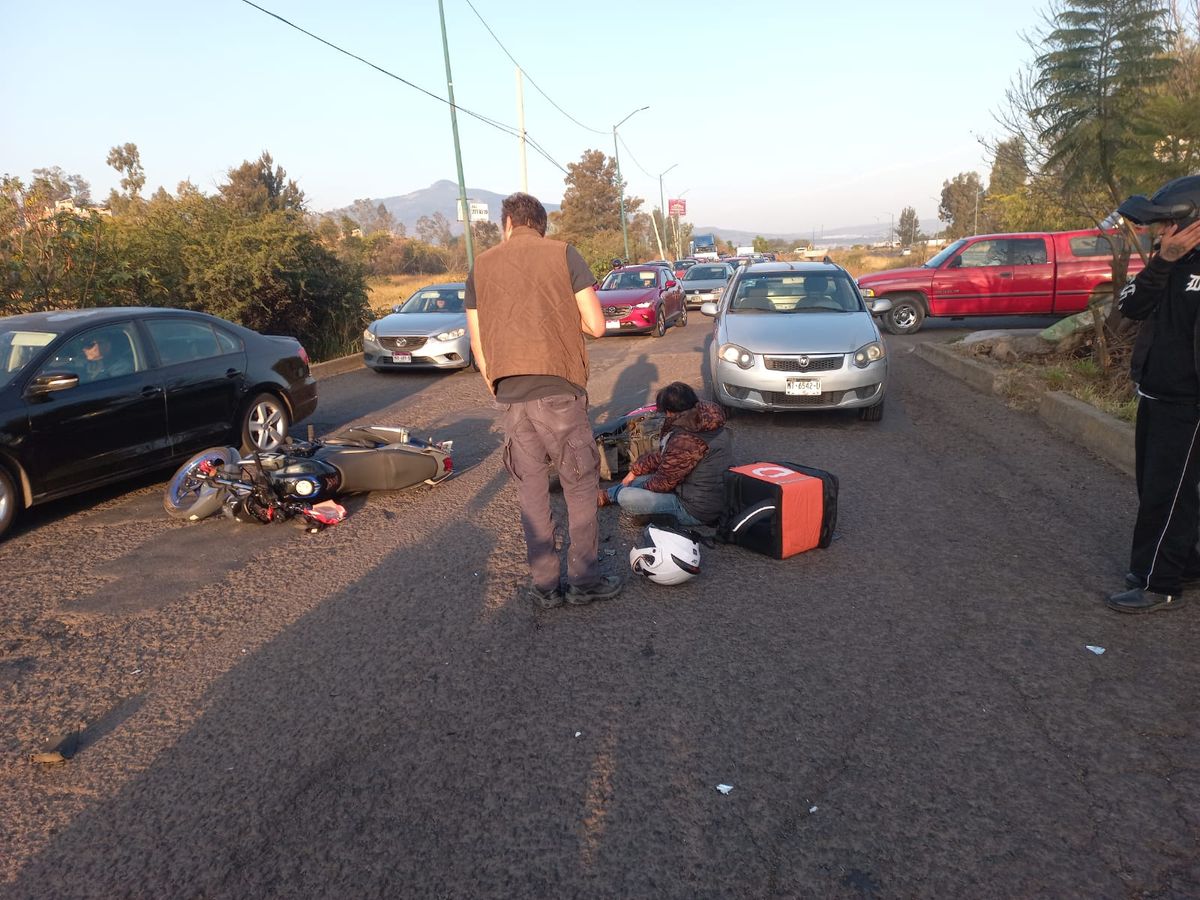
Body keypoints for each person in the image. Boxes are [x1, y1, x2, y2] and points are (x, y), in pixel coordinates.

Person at [465, 192, 622, 609]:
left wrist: (496, 385)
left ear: (508, 224)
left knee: (531, 493)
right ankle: (584, 581)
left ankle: (546, 586)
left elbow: (478, 344)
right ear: (541, 224)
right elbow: (596, 325)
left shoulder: (481, 265)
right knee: (580, 486)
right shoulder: (563, 253)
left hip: (510, 395)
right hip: (559, 391)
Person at [1106, 175, 1200, 614]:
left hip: (1188, 403)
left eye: (1166, 224)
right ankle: (1185, 564)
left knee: (1168, 494)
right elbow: (1129, 307)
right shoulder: (1168, 263)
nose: (1158, 231)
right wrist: (1164, 261)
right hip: (1155, 393)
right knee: (1157, 489)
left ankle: (1159, 583)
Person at [598, 381, 733, 527]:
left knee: (626, 496)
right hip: (708, 494)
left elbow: (662, 483)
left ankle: (616, 498)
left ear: (670, 411)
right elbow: (665, 456)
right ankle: (607, 495)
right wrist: (635, 470)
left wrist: (632, 487)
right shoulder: (706, 418)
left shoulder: (686, 441)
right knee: (637, 480)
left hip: (696, 510)